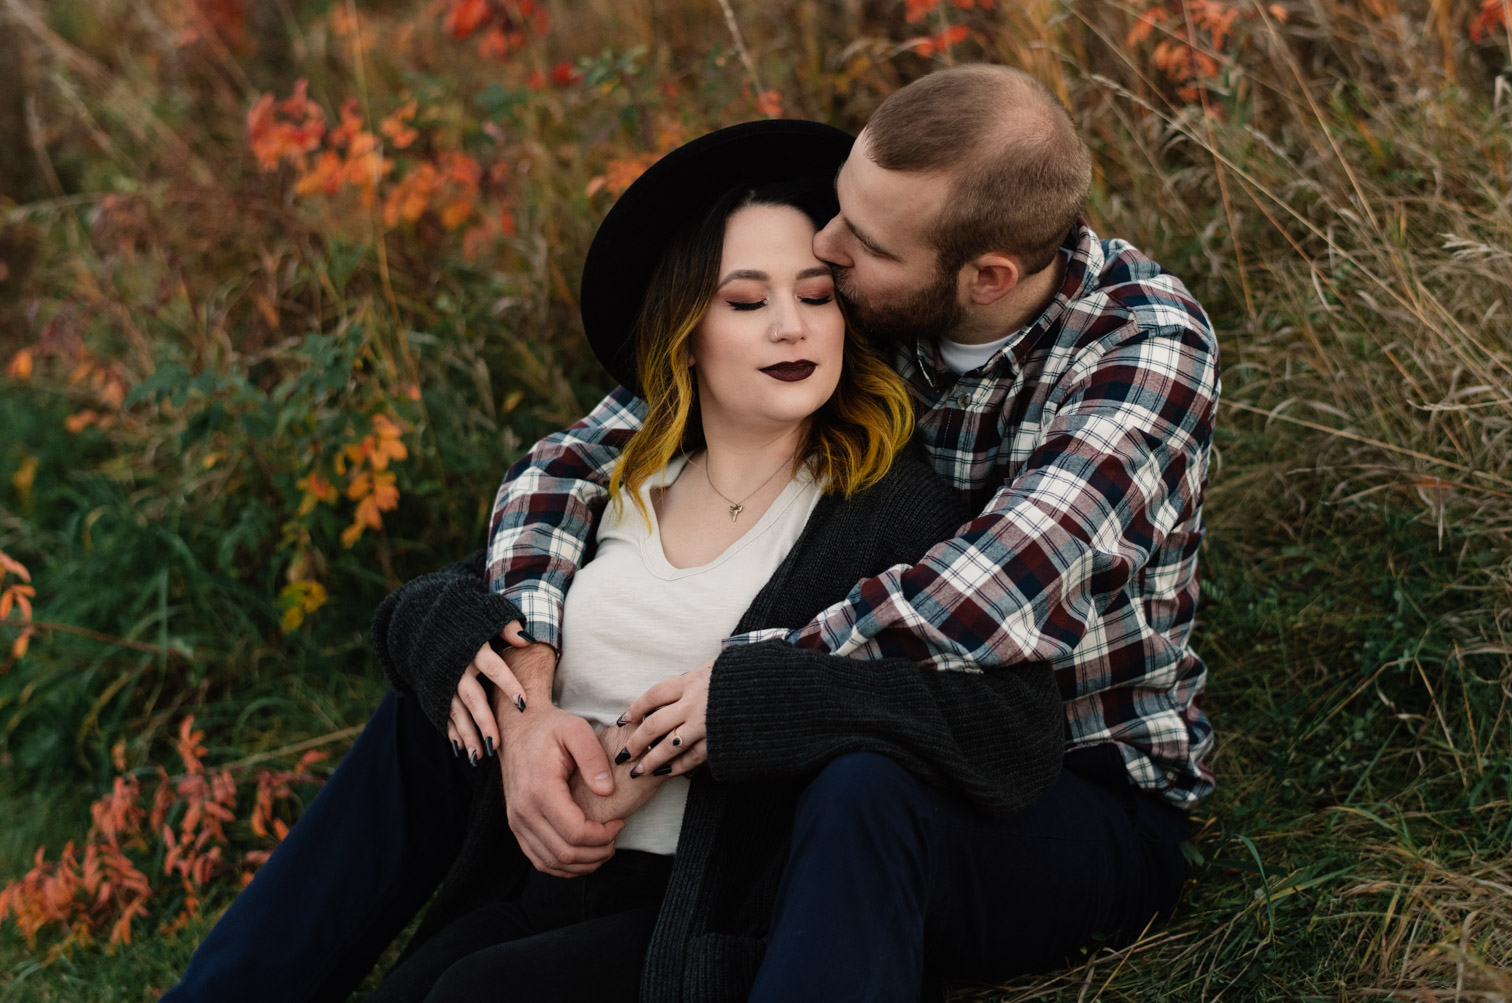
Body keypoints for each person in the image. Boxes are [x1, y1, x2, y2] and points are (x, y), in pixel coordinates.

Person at [164, 120, 1065, 1003]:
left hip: (697, 908)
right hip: (538, 884)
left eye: (817, 296)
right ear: (687, 331)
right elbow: (443, 600)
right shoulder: (619, 480)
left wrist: (761, 699)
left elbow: (1013, 722)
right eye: (746, 302)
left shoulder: (891, 508)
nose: (790, 326)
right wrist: (507, 704)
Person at [483, 63, 1217, 998]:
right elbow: (579, 458)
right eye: (838, 207)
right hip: (861, 725)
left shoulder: (1144, 348)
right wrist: (531, 668)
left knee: (862, 793)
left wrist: (748, 693)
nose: (823, 246)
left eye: (860, 240)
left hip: (1072, 784)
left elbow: (983, 599)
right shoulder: (869, 295)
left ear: (984, 276)